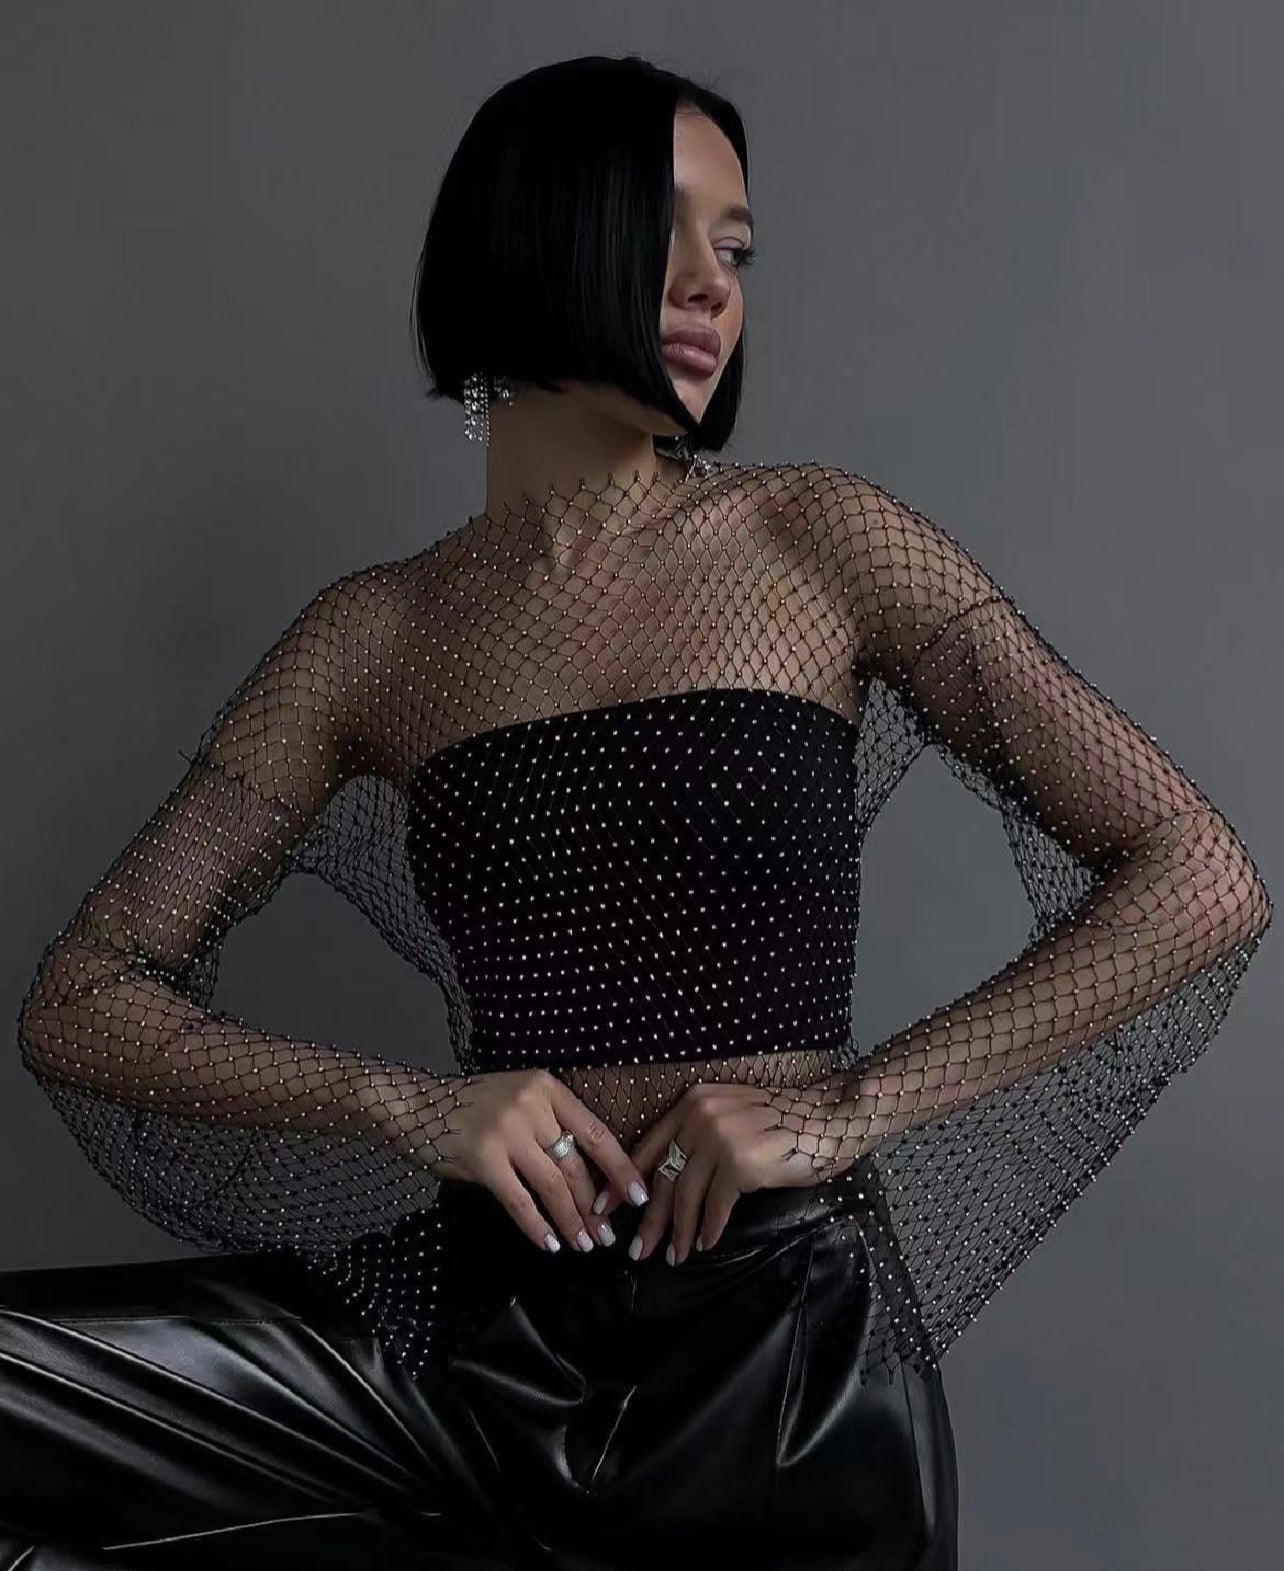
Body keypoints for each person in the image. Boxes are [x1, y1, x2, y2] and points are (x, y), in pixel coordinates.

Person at [3, 51, 1271, 1571]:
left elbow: (1200, 875)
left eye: (735, 249)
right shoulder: (374, 640)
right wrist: (408, 1107)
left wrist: (851, 1110)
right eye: (658, 231)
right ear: (530, 239)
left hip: (781, 1370)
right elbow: (81, 1001)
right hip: (472, 1340)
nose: (709, 285)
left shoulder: (819, 542)